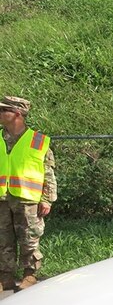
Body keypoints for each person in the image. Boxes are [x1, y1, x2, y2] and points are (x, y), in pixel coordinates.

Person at [0, 96, 56, 291]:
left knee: (29, 238)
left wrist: (47, 199)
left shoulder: (38, 141)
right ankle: (5, 277)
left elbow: (48, 173)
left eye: (3, 110)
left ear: (17, 114)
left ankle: (29, 275)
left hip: (27, 199)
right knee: (2, 238)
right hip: (2, 199)